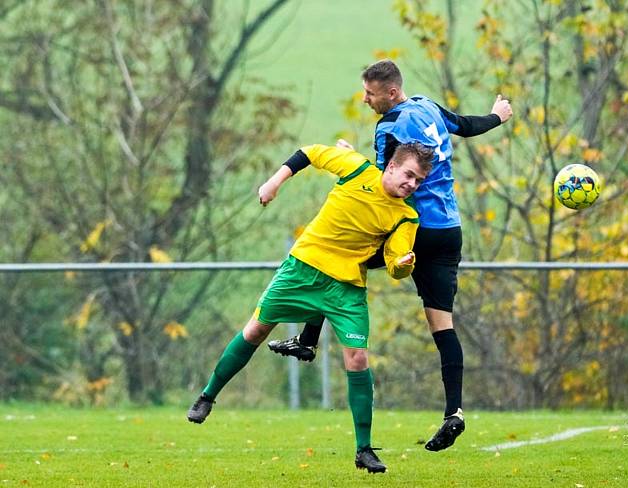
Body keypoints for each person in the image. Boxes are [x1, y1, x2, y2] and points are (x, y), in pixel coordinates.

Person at [267, 59, 513, 452]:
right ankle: (455, 411)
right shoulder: (427, 105)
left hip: (410, 227)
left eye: (370, 93)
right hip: (449, 230)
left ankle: (308, 341)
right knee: (443, 326)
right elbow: (466, 126)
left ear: (391, 92)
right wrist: (497, 116)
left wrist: (349, 156)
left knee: (336, 258)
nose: (365, 99)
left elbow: (389, 184)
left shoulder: (389, 126)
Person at [187, 142, 434, 474]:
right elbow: (311, 153)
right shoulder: (357, 168)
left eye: (418, 180)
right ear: (391, 166)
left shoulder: (407, 216)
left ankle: (363, 450)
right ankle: (207, 396)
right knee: (257, 330)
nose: (412, 184)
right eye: (408, 175)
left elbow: (394, 264)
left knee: (358, 358)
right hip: (304, 267)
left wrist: (404, 264)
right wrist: (274, 182)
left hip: (345, 287)